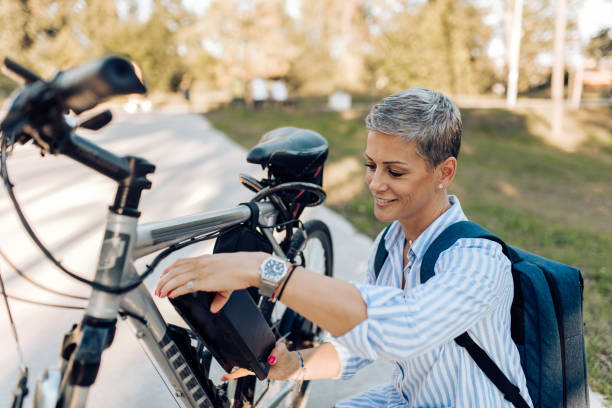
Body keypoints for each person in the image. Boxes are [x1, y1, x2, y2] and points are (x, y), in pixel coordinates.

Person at [155, 88, 533, 407]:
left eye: (395, 172)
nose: (375, 183)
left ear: (445, 173)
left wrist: (263, 269)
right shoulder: (392, 243)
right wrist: (294, 364)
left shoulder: (476, 260)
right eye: (372, 165)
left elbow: (402, 330)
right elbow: (363, 343)